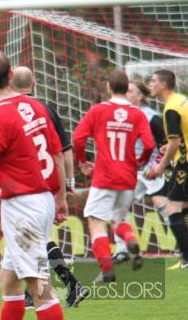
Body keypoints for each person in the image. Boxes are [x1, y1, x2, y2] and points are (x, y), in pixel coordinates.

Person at [0, 51, 67, 320]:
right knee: (9, 279)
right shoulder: (36, 107)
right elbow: (57, 154)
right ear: (10, 75)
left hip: (22, 207)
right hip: (43, 200)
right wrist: (61, 197)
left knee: (39, 286)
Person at [11, 67, 88, 308]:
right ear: (34, 83)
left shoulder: (9, 112)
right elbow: (65, 150)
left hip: (28, 187)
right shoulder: (46, 110)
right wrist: (68, 183)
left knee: (30, 240)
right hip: (50, 183)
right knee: (37, 239)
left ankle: (52, 289)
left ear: (11, 85)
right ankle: (56, 288)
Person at [73, 69, 154, 283]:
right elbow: (149, 145)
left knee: (96, 222)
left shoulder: (98, 110)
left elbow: (78, 138)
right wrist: (141, 161)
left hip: (104, 177)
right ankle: (130, 239)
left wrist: (82, 162)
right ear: (127, 89)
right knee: (118, 219)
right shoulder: (137, 114)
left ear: (108, 86)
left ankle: (107, 269)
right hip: (128, 177)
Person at [113, 78, 169, 264]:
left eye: (130, 91)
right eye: (125, 91)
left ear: (140, 95)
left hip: (151, 168)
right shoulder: (121, 115)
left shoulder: (152, 117)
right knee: (119, 207)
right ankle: (122, 250)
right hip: (131, 171)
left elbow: (166, 144)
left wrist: (157, 165)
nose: (126, 94)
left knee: (162, 203)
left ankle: (184, 243)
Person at [147, 69, 188, 269]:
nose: (150, 84)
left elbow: (175, 142)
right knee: (183, 207)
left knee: (173, 209)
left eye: (153, 81)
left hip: (185, 162)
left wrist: (161, 166)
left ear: (163, 85)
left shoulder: (170, 108)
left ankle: (186, 258)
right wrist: (170, 147)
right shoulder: (181, 100)